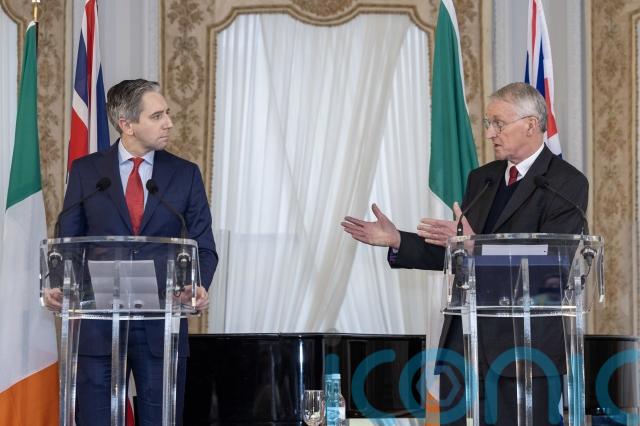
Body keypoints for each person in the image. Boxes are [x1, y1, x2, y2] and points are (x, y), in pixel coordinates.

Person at [342, 82, 587, 425]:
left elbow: (551, 265)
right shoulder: (482, 179)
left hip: (525, 352)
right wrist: (398, 240)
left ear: (531, 125)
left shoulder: (565, 183)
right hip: (464, 347)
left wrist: (476, 245)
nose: (489, 133)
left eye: (498, 123)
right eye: (488, 123)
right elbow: (459, 253)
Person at [49, 79, 218, 425]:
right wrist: (59, 283)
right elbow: (67, 239)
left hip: (162, 324)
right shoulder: (87, 172)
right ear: (127, 125)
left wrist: (196, 285)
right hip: (99, 322)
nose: (169, 122)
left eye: (167, 113)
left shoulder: (185, 174)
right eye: (157, 116)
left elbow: (203, 245)